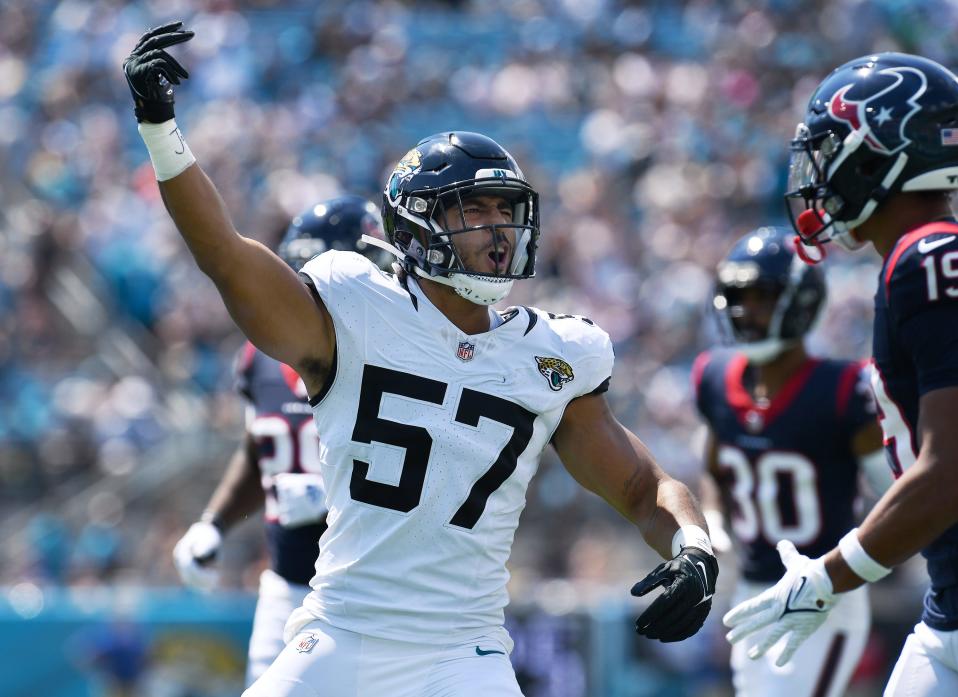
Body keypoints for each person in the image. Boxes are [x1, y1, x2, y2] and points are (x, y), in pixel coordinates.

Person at [123, 22, 719, 697]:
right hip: (344, 631)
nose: (499, 230)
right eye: (475, 210)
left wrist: (693, 545)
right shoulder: (355, 307)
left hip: (463, 651)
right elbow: (225, 256)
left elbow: (643, 486)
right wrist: (160, 127)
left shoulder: (553, 353)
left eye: (507, 209)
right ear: (416, 227)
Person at [722, 52, 958, 696]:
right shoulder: (918, 255)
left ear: (881, 149)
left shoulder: (927, 255)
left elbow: (951, 470)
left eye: (831, 150)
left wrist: (830, 575)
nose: (818, 173)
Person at [171, 195, 392, 686]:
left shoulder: (393, 358)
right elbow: (261, 446)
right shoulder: (260, 359)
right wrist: (215, 522)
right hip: (288, 583)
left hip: (375, 593)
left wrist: (330, 498)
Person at [695, 226, 888, 697]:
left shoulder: (844, 389)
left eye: (762, 296)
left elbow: (891, 491)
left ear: (800, 300)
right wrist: (715, 523)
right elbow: (713, 468)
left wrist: (855, 566)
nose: (747, 309)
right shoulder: (715, 377)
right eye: (738, 295)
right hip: (753, 590)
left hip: (826, 593)